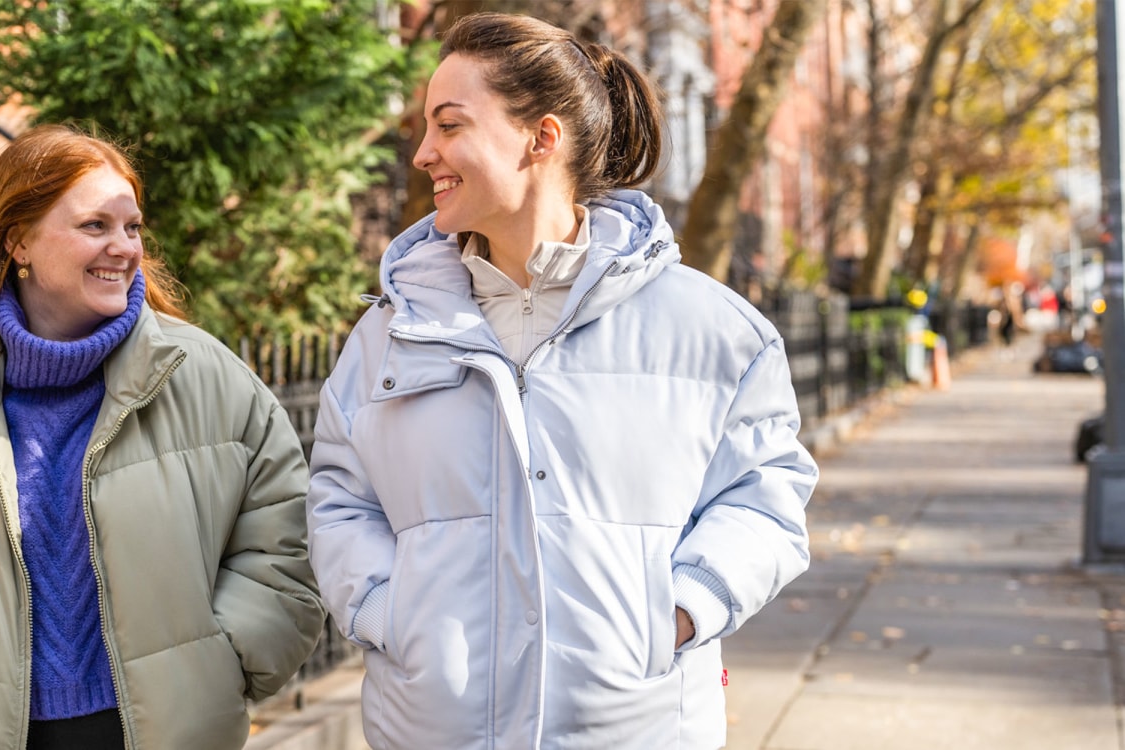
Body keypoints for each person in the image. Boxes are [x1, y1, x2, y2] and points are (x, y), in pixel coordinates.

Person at [306, 14, 817, 750]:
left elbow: (765, 496)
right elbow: (339, 500)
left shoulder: (712, 331)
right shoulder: (387, 336)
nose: (423, 154)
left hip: (632, 727)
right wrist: (393, 615)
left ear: (541, 139)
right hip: (435, 729)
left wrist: (678, 612)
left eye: (449, 126)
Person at [0, 124, 324, 749]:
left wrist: (219, 662)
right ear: (18, 241)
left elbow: (288, 539)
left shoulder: (206, 378)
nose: (124, 248)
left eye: (131, 227)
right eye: (95, 226)